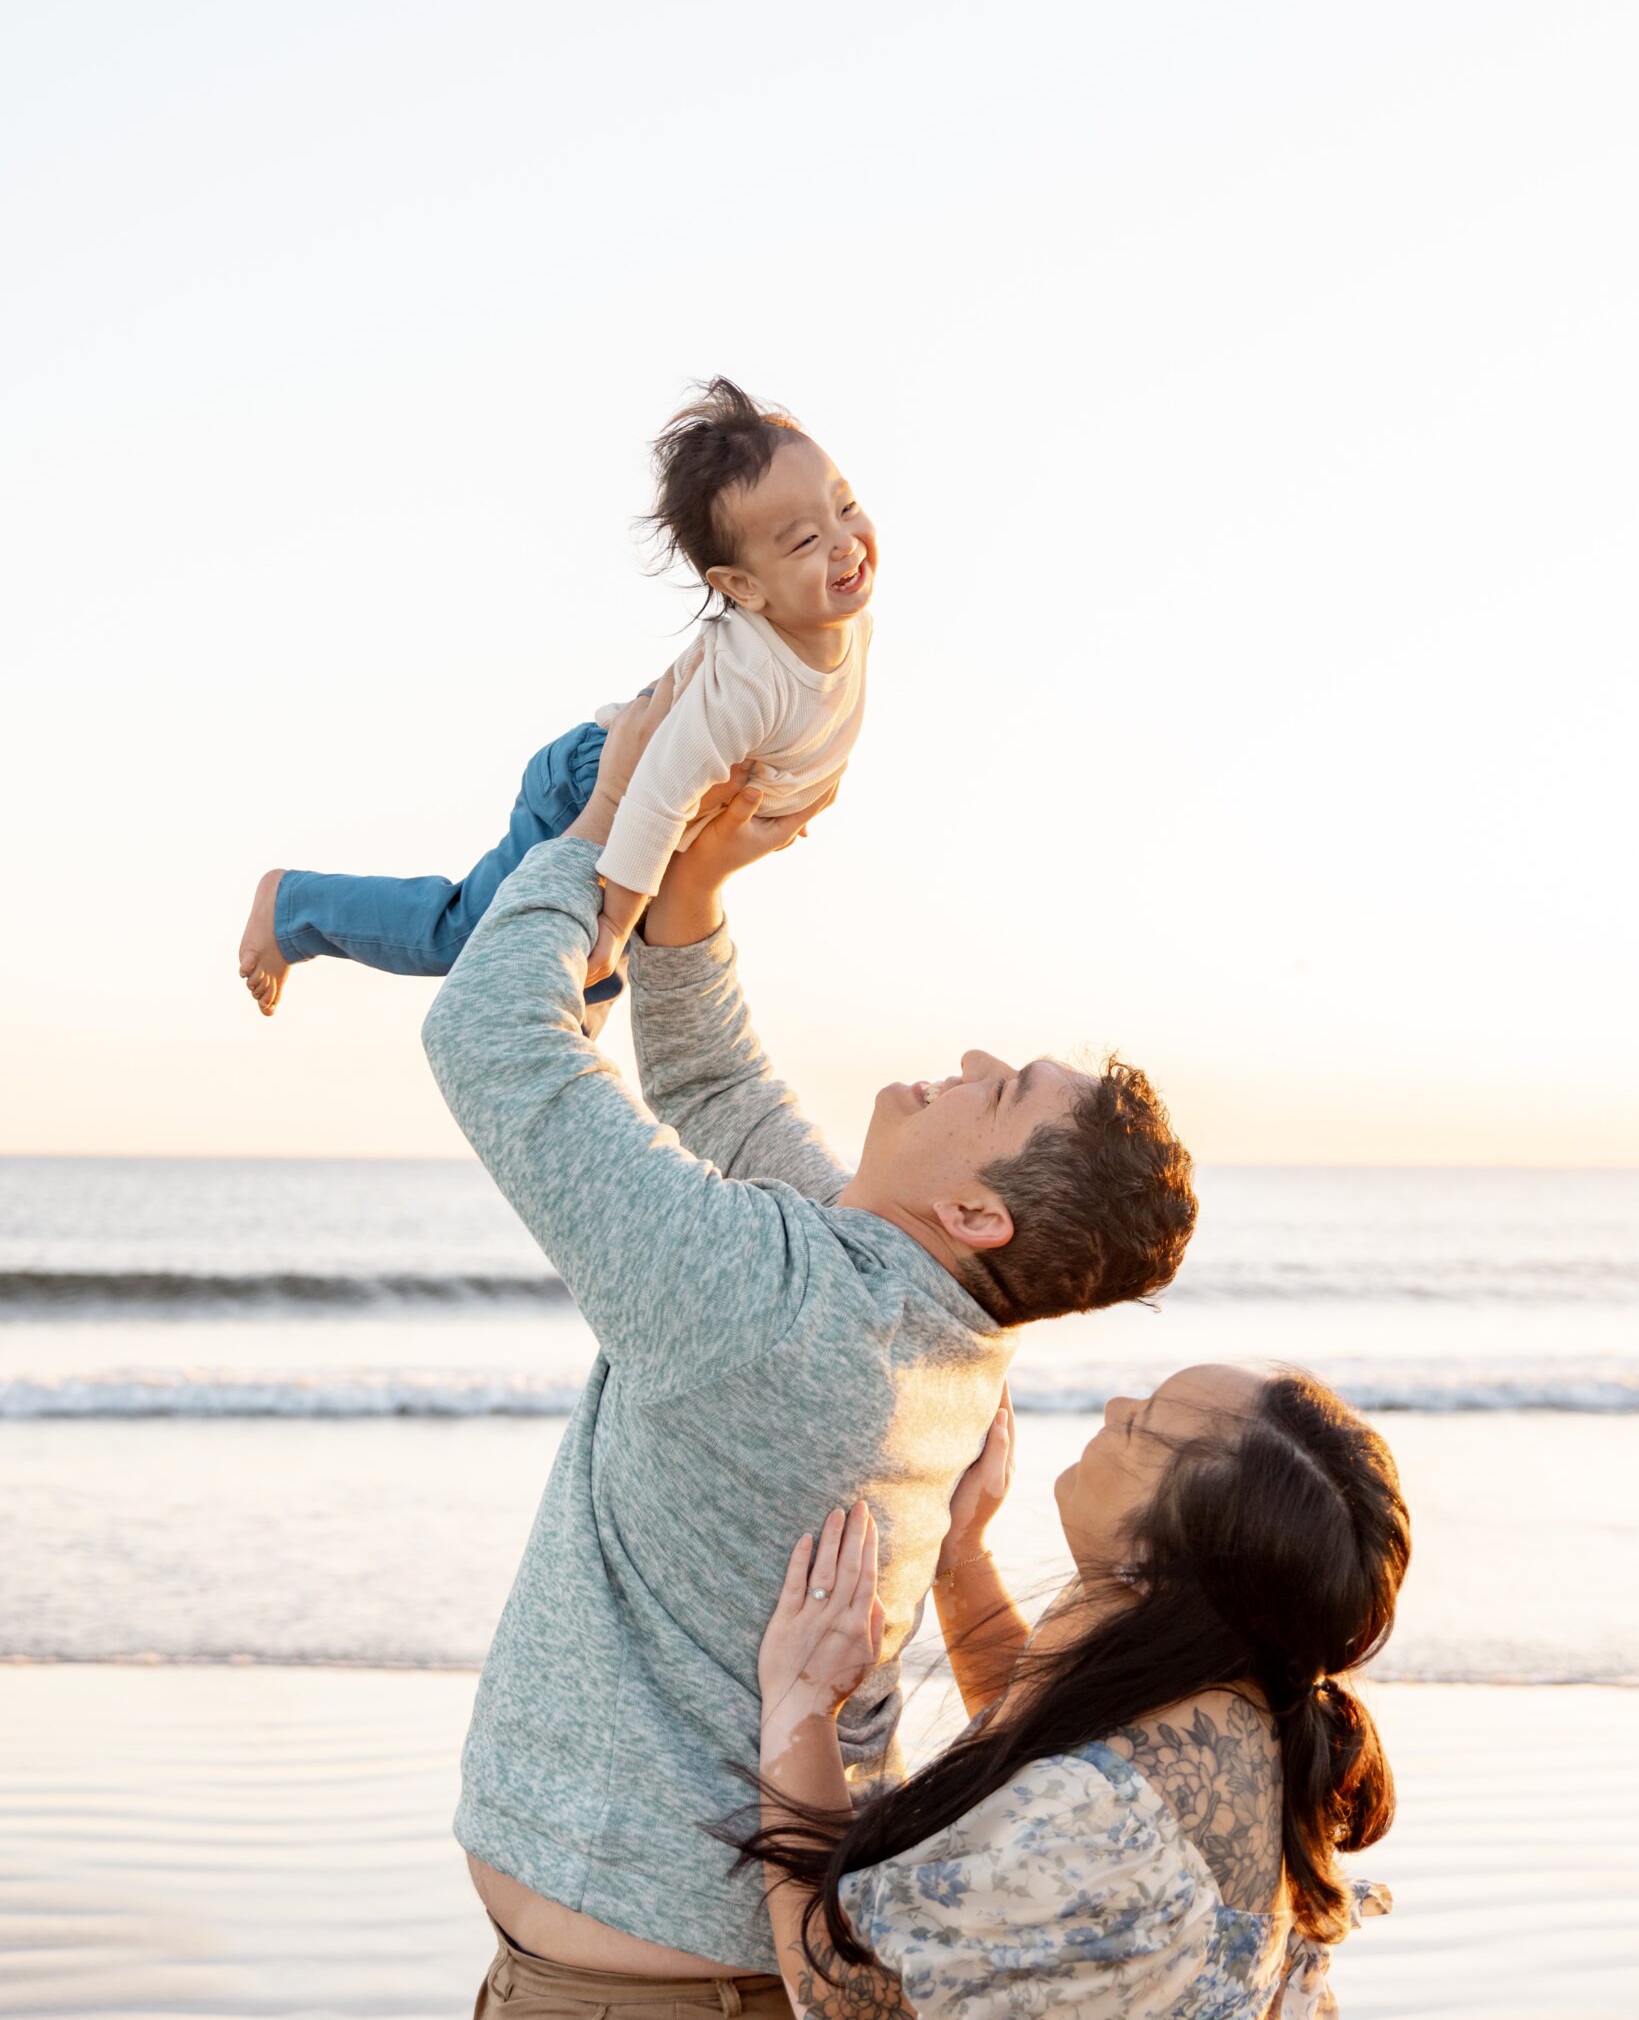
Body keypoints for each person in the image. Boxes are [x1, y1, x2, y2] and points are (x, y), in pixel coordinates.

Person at [418, 678, 1199, 2013]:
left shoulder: (778, 1306)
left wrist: (610, 821)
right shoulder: (910, 1308)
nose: (964, 1054)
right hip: (700, 1970)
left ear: (975, 1212)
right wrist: (698, 887)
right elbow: (719, 1089)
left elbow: (490, 1038)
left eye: (998, 1088)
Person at [752, 1362, 1410, 2018]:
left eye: (1143, 1426)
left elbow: (848, 1997)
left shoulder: (1108, 1815)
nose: (1115, 1405)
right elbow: (1045, 1770)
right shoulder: (1237, 1686)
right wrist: (961, 1558)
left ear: (1158, 1559)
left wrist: (801, 1705)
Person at [236, 376, 877, 1015]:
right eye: (804, 541)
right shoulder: (746, 685)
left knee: (580, 978)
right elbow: (652, 797)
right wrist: (618, 922)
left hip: (657, 824)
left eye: (844, 507)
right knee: (468, 937)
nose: (845, 541)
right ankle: (294, 907)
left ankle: (567, 1040)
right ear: (743, 585)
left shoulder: (848, 623)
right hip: (599, 786)